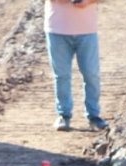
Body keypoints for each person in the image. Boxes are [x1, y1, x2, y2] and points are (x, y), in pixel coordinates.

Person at [44, 0, 107, 132]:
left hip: (87, 30)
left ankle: (94, 116)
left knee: (91, 75)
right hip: (57, 29)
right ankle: (63, 115)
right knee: (61, 76)